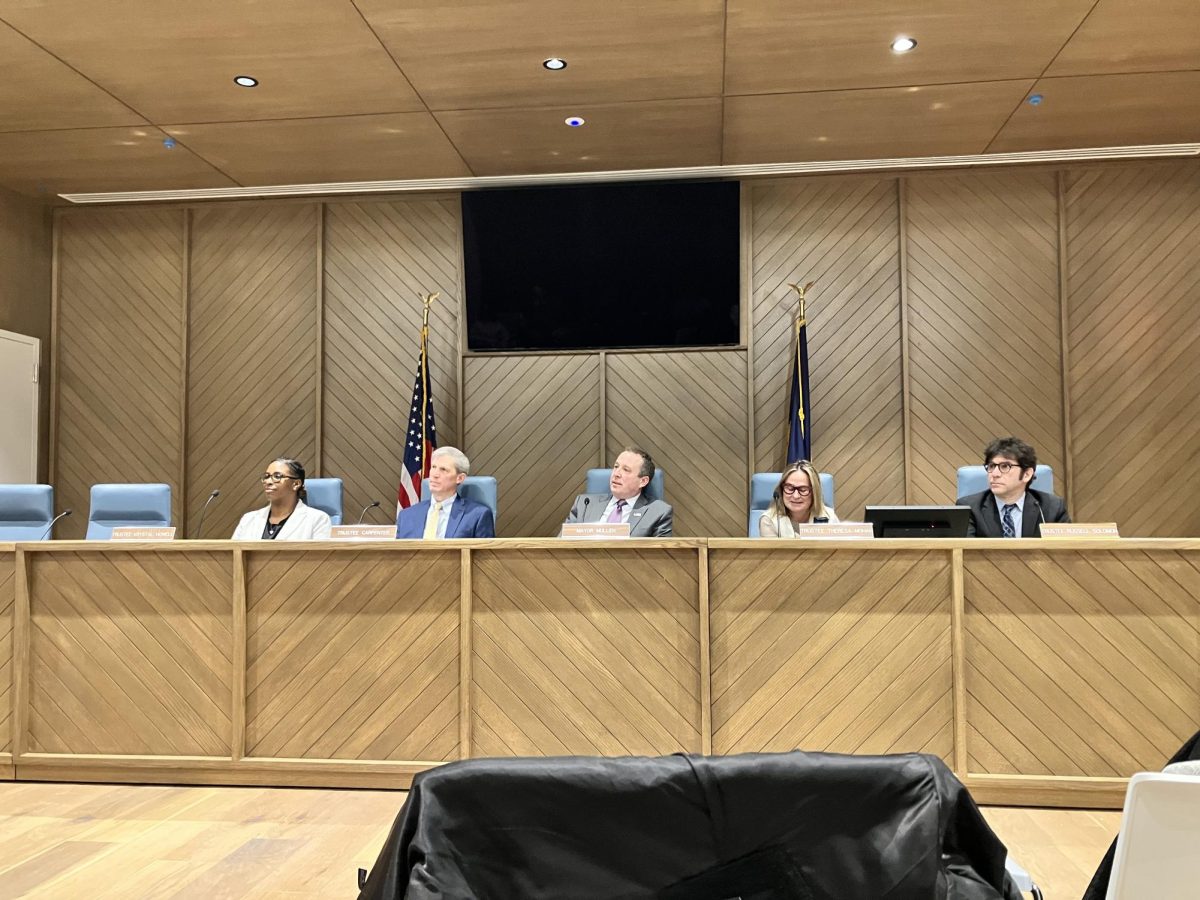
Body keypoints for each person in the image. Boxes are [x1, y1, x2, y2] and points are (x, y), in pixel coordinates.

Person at [956, 436, 1069, 537]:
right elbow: (966, 554)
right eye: (991, 466)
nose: (994, 474)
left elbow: (1067, 552)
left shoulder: (1052, 508)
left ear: (1026, 474)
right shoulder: (969, 508)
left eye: (1005, 466)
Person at [564, 446, 673, 537]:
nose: (616, 473)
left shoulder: (659, 512)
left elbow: (660, 557)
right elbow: (561, 545)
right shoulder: (584, 504)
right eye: (616, 466)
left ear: (643, 481)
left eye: (626, 470)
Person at [396, 446, 495, 539]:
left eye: (443, 469)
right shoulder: (406, 516)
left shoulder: (477, 515)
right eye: (433, 467)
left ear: (460, 478)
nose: (435, 474)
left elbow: (485, 556)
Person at [232, 457, 332, 540]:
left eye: (277, 476)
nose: (268, 482)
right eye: (266, 476)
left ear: (296, 484)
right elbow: (233, 556)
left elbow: (319, 561)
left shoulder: (318, 519)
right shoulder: (249, 519)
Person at [759, 460, 839, 537]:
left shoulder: (829, 517)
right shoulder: (769, 520)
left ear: (814, 492)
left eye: (803, 490)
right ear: (781, 489)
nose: (795, 496)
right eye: (789, 488)